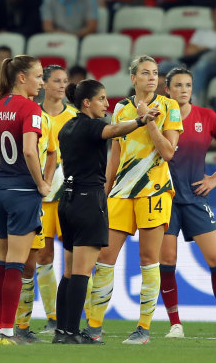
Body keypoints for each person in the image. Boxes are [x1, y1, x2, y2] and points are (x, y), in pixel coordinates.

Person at [84, 55, 183, 344]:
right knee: (104, 257)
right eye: (145, 73)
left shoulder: (170, 107)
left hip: (154, 191)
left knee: (148, 259)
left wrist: (148, 120)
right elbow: (115, 153)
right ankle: (93, 327)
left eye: (155, 73)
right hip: (121, 193)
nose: (152, 78)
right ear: (133, 79)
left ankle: (143, 329)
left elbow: (168, 152)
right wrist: (105, 190)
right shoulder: (120, 109)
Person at [53, 79, 160, 344]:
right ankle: (72, 333)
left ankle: (61, 331)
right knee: (81, 272)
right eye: (101, 99)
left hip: (66, 200)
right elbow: (113, 130)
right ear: (86, 102)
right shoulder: (93, 126)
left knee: (68, 273)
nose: (107, 103)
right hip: (89, 201)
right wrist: (141, 120)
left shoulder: (67, 127)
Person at [0, 55, 51, 345]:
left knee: (2, 265)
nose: (41, 81)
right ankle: (6, 330)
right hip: (22, 194)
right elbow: (30, 151)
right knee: (17, 265)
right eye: (38, 76)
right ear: (22, 78)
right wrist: (41, 183)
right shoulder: (30, 109)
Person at [157, 67, 216, 340]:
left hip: (196, 199)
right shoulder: (159, 117)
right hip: (165, 199)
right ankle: (175, 324)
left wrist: (214, 179)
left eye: (188, 85)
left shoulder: (208, 117)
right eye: (177, 85)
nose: (183, 89)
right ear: (167, 89)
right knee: (167, 261)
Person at [33, 65, 79, 334]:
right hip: (40, 197)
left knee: (77, 257)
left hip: (69, 196)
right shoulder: (32, 115)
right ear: (45, 85)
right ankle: (52, 317)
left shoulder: (74, 116)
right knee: (43, 256)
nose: (62, 85)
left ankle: (73, 317)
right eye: (57, 81)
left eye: (65, 81)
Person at [183, 0, 216, 104]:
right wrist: (204, 50)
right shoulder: (202, 32)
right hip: (196, 62)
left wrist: (207, 50)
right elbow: (189, 51)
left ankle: (193, 100)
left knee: (204, 63)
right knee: (166, 65)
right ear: (212, 15)